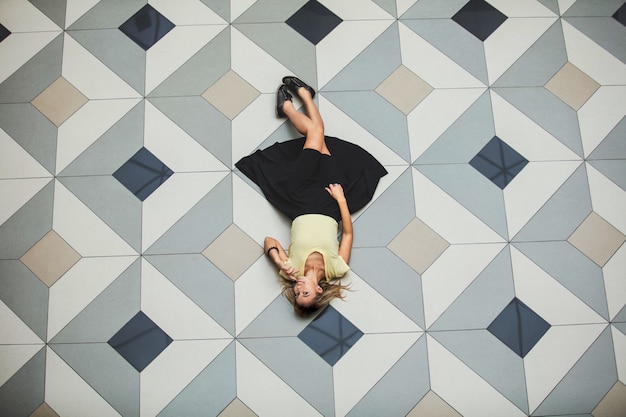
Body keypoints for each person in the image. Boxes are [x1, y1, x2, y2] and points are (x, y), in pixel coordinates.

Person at [236, 76, 387, 317]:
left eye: (296, 294)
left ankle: (299, 100)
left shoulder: (290, 270)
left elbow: (269, 241)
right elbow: (347, 233)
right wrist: (341, 199)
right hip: (330, 198)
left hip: (299, 196)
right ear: (318, 289)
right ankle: (296, 101)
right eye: (305, 293)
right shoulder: (337, 269)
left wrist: (278, 261)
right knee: (319, 138)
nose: (298, 289)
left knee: (316, 133)